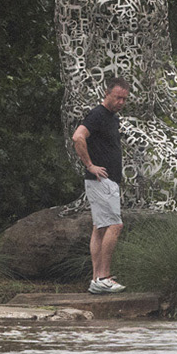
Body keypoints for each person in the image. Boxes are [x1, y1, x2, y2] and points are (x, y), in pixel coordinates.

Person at [73, 77, 131, 293]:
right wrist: (90, 165)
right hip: (101, 180)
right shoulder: (98, 114)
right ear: (107, 94)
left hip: (109, 180)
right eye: (117, 97)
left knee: (100, 228)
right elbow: (78, 137)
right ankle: (104, 277)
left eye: (124, 99)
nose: (121, 102)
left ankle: (97, 279)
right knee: (115, 225)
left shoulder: (113, 118)